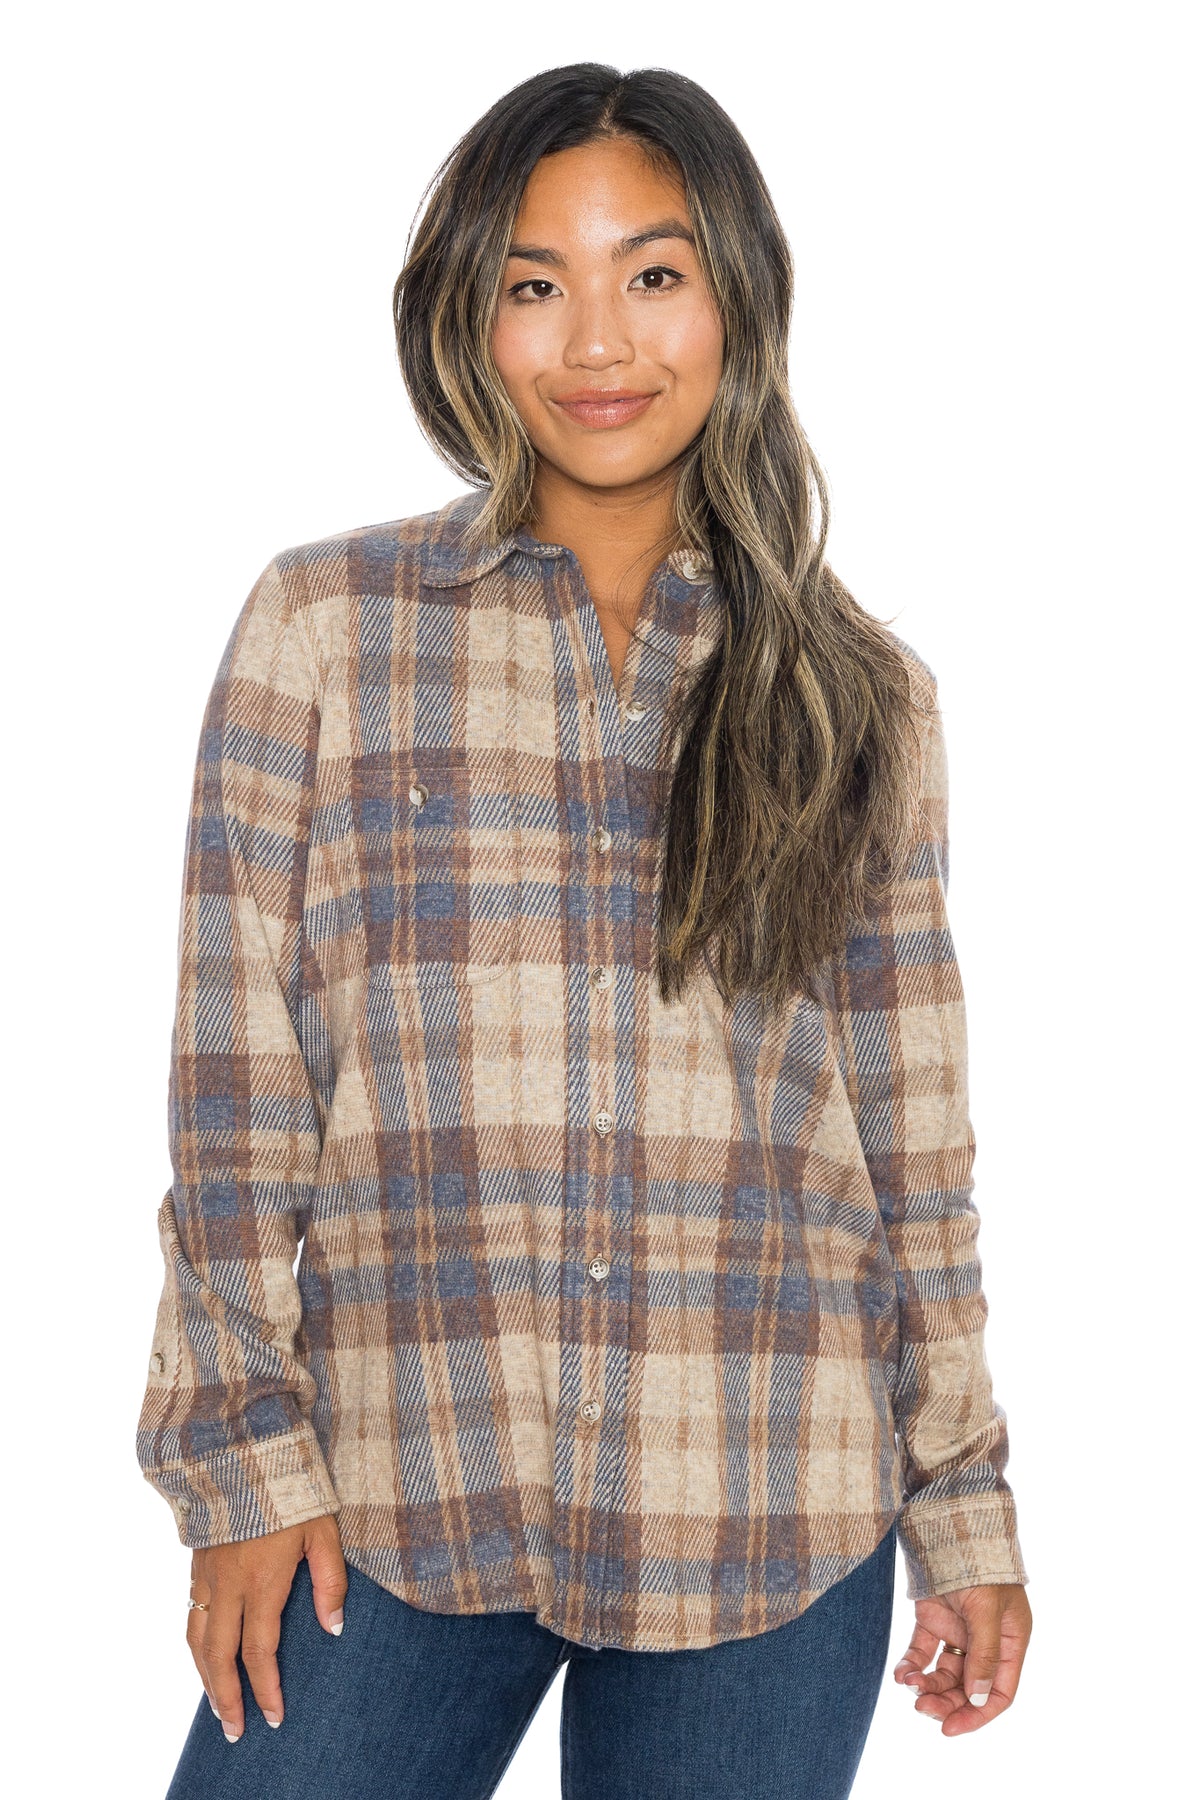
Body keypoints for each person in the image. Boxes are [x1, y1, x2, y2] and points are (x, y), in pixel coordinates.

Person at [136, 61, 1033, 1800]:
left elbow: (911, 1146)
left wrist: (964, 1503)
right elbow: (237, 1092)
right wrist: (240, 1467)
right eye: (534, 282)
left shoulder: (859, 693)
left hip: (768, 1507)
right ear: (467, 316)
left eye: (654, 273)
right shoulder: (326, 629)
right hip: (396, 1496)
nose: (597, 341)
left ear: (736, 298)